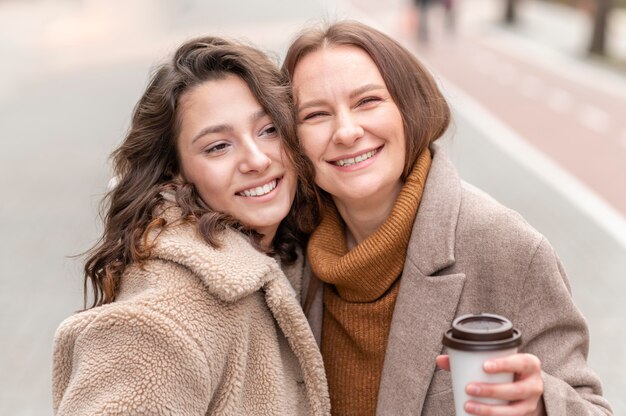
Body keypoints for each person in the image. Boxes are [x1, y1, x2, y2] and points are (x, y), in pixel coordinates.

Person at [282, 21, 612, 416]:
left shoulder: (506, 248)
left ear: (409, 108)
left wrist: (540, 405)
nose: (347, 131)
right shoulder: (286, 253)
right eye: (316, 114)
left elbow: (592, 407)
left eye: (367, 101)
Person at [52, 36, 330, 415]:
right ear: (174, 172)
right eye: (218, 146)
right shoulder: (163, 319)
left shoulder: (287, 252)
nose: (256, 160)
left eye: (268, 130)